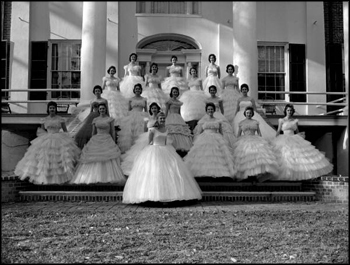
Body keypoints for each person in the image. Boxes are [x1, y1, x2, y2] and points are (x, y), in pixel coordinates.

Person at [122, 111, 202, 204]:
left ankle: (169, 195)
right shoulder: (152, 130)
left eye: (163, 118)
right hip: (154, 150)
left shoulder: (166, 129)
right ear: (157, 120)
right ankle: (151, 195)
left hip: (166, 149)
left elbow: (166, 140)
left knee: (171, 171)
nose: (162, 120)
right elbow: (149, 142)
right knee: (155, 172)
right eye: (161, 118)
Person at [14, 101, 81, 184]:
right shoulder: (44, 119)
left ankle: (61, 179)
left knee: (59, 159)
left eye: (53, 108)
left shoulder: (60, 119)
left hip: (58, 138)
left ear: (55, 109)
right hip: (47, 137)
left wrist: (67, 139)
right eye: (50, 108)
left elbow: (65, 131)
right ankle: (46, 179)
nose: (52, 109)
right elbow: (41, 131)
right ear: (48, 109)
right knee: (45, 159)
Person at [270, 104, 333, 181]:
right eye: (288, 110)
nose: (289, 112)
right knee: (285, 157)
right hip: (284, 138)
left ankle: (294, 175)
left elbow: (297, 131)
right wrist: (275, 139)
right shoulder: (281, 120)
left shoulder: (295, 121)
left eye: (290, 110)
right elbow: (278, 131)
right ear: (285, 111)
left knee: (297, 157)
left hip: (293, 138)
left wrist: (300, 138)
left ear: (292, 111)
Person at [70, 102, 126, 184]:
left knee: (107, 158)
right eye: (100, 109)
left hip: (107, 138)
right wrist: (91, 142)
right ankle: (93, 177)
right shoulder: (95, 120)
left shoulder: (110, 119)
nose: (102, 110)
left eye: (103, 109)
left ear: (105, 109)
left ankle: (108, 177)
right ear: (98, 110)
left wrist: (114, 142)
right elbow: (93, 132)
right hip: (97, 138)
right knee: (94, 158)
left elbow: (112, 132)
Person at [184, 103, 236, 179]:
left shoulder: (218, 120)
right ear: (206, 111)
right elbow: (200, 131)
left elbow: (221, 132)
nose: (210, 110)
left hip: (216, 137)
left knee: (217, 157)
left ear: (214, 110)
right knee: (205, 155)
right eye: (209, 109)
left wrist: (223, 142)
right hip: (205, 137)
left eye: (211, 109)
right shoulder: (203, 121)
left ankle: (217, 173)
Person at [232, 106, 279, 182]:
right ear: (245, 114)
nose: (249, 114)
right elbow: (239, 134)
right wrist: (237, 142)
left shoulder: (255, 122)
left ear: (252, 114)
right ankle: (247, 176)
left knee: (256, 157)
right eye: (247, 113)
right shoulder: (241, 123)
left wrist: (261, 141)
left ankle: (255, 175)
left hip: (255, 138)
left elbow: (259, 133)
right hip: (244, 140)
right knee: (246, 157)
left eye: (250, 113)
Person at [121, 102, 161, 176]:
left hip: (157, 136)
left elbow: (162, 128)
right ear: (150, 110)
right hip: (148, 135)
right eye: (152, 108)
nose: (154, 109)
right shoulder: (147, 119)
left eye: (155, 108)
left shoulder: (160, 118)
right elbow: (145, 129)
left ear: (158, 109)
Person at [74, 85, 108, 149]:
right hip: (92, 116)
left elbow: (107, 111)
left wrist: (107, 118)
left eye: (98, 91)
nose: (97, 92)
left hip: (101, 116)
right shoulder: (92, 101)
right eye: (96, 91)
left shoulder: (104, 101)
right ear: (94, 92)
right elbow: (91, 111)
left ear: (101, 91)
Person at [117, 83, 148, 153]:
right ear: (134, 90)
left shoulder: (144, 99)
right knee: (131, 132)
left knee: (140, 132)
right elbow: (129, 110)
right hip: (132, 115)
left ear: (141, 90)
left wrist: (146, 118)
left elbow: (146, 110)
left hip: (141, 115)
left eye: (139, 89)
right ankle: (131, 150)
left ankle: (139, 149)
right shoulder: (130, 99)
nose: (137, 90)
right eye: (136, 89)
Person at [165, 86, 193, 154]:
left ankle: (180, 148)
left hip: (178, 117)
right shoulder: (169, 101)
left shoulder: (179, 102)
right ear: (171, 93)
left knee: (180, 132)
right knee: (172, 132)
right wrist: (164, 120)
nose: (175, 93)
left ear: (178, 93)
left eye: (176, 92)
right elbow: (166, 112)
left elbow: (179, 112)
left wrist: (182, 120)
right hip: (171, 117)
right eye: (174, 92)